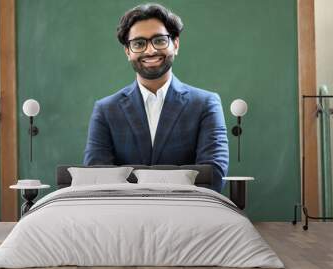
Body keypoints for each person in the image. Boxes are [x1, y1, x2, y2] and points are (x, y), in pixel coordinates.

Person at [84, 3, 229, 192]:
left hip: (188, 215)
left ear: (175, 44)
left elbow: (214, 176)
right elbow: (97, 180)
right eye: (138, 43)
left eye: (159, 40)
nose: (150, 51)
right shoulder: (105, 109)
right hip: (123, 216)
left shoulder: (206, 104)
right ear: (128, 51)